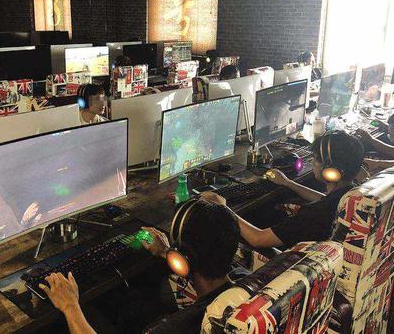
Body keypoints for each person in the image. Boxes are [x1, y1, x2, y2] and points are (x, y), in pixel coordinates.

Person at [41, 200, 242, 333]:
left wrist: (70, 306)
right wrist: (165, 252)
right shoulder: (246, 281)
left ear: (182, 258)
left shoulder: (178, 327)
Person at [203, 131, 364, 250]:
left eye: (315, 158)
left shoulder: (315, 214)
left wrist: (222, 206)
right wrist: (288, 183)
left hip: (287, 262)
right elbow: (324, 198)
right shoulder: (351, 194)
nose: (313, 162)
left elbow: (258, 239)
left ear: (331, 171)